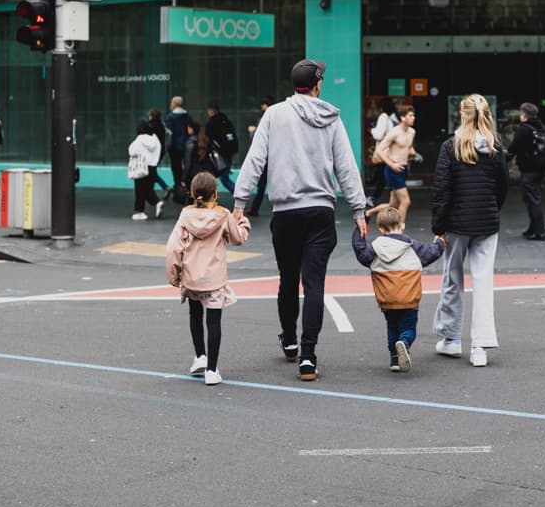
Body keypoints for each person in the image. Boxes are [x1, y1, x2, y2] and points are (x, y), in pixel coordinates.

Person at [232, 58, 367, 383]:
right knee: (315, 284)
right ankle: (308, 357)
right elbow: (346, 167)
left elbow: (255, 159)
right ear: (318, 84)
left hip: (286, 213)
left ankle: (289, 340)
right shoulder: (331, 118)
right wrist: (359, 209)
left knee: (288, 279)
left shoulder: (274, 115)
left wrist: (240, 201)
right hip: (320, 212)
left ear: (295, 85)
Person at [431, 94, 509, 367]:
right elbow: (502, 188)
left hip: (456, 223)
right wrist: (491, 209)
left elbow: (442, 190)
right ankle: (480, 347)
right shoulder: (495, 147)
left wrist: (438, 226)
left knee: (452, 278)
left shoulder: (450, 147)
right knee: (483, 282)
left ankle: (451, 339)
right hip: (487, 222)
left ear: (462, 114)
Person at [166, 171, 250, 387]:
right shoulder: (223, 215)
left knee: (195, 315)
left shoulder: (185, 215)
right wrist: (243, 224)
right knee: (214, 322)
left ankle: (200, 357)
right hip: (214, 279)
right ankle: (212, 370)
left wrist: (174, 274)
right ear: (215, 193)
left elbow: (173, 247)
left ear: (193, 194)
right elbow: (237, 238)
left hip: (191, 277)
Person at [351, 205, 445, 373]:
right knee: (408, 329)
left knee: (392, 326)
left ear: (380, 229)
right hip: (409, 300)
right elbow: (432, 253)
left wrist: (361, 227)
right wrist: (439, 242)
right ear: (402, 226)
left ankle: (395, 360)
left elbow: (360, 250)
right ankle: (405, 342)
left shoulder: (374, 250)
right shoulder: (412, 247)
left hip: (387, 300)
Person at [507, 102, 545, 240]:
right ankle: (532, 228)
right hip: (540, 170)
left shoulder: (524, 129)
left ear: (524, 115)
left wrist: (502, 161)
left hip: (529, 170)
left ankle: (539, 231)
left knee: (533, 199)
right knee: (529, 198)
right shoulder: (542, 128)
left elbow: (513, 148)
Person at [368, 103, 418, 228]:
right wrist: (391, 164)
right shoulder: (394, 133)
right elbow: (379, 150)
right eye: (410, 115)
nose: (413, 118)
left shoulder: (412, 132)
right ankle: (399, 228)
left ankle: (368, 213)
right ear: (402, 118)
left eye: (413, 115)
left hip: (403, 168)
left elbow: (409, 148)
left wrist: (414, 154)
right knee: (405, 201)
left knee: (393, 205)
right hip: (393, 170)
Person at [128, 118, 166, 220]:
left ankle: (139, 212)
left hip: (142, 167)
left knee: (139, 190)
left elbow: (132, 151)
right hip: (153, 167)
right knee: (148, 189)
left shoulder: (140, 139)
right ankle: (158, 203)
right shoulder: (155, 139)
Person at [245, 96, 275, 216]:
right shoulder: (279, 117)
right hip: (276, 155)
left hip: (265, 156)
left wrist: (252, 131)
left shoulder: (263, 119)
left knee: (261, 184)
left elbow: (257, 138)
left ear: (264, 105)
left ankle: (254, 208)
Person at [367, 97, 400, 203]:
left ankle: (375, 198)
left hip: (384, 151)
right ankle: (375, 198)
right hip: (393, 151)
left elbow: (379, 135)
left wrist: (372, 130)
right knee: (382, 176)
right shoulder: (395, 119)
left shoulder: (383, 117)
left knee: (381, 176)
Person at [204, 101, 238, 193]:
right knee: (224, 177)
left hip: (218, 155)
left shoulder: (211, 123)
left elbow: (208, 139)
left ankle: (238, 194)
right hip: (229, 153)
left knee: (220, 178)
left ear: (211, 111)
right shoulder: (226, 121)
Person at [165, 97, 196, 198]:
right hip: (187, 146)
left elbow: (169, 134)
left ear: (174, 104)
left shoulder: (170, 117)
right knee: (187, 167)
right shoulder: (188, 116)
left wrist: (167, 147)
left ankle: (178, 190)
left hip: (174, 147)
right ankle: (187, 189)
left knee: (176, 168)